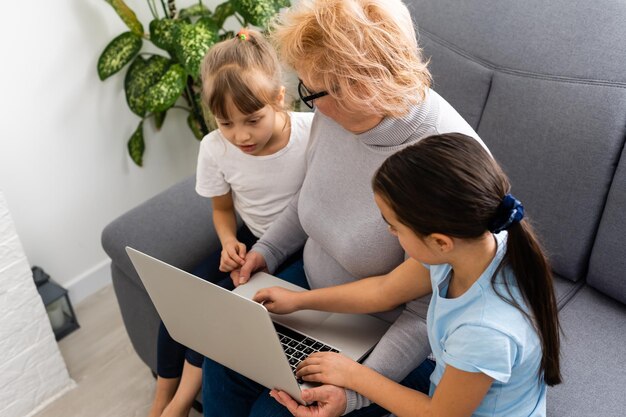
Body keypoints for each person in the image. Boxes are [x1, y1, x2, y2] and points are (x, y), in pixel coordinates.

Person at [201, 1, 490, 417]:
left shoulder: (440, 163)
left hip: (390, 334)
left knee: (274, 413)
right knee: (222, 358)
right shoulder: (336, 113)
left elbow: (424, 316)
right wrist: (267, 252)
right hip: (309, 293)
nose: (310, 105)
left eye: (312, 91)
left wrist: (356, 391)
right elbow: (308, 200)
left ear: (360, 85)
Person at [256, 133, 562, 417]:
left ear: (440, 241)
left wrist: (353, 375)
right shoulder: (474, 244)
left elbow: (438, 414)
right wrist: (299, 301)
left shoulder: (484, 331)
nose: (389, 231)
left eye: (395, 226)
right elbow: (384, 290)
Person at [147, 28, 314, 417]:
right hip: (249, 238)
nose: (241, 136)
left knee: (218, 314)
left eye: (252, 120)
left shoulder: (310, 134)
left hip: (298, 250)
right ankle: (159, 405)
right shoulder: (215, 148)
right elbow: (222, 209)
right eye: (226, 124)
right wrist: (227, 242)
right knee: (179, 302)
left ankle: (182, 403)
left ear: (278, 98)